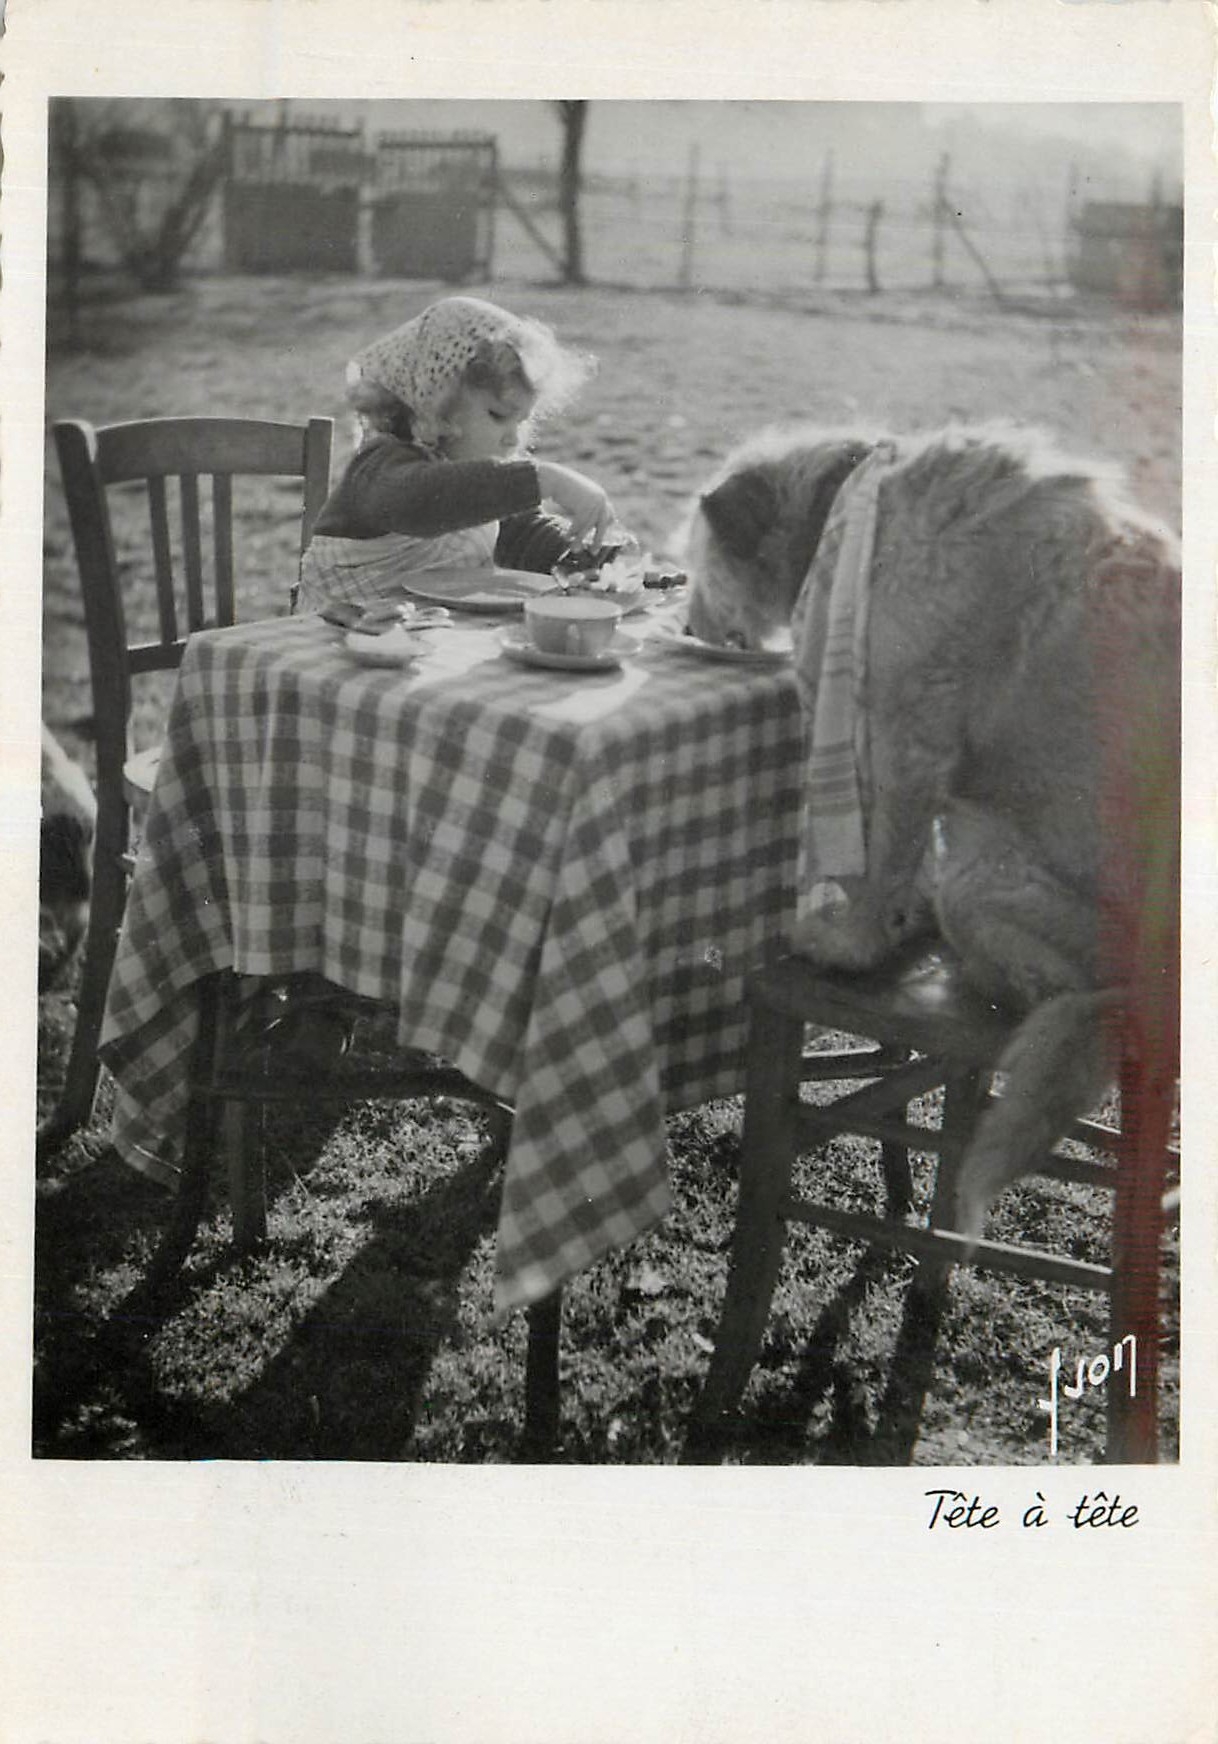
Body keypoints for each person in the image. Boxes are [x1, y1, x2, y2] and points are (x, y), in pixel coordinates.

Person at [297, 296, 620, 609]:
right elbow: (419, 501)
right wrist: (543, 479)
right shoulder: (380, 465)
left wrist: (591, 555)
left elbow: (522, 536)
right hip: (331, 638)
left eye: (521, 422)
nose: (512, 438)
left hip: (422, 638)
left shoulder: (481, 484)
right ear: (437, 403)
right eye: (497, 416)